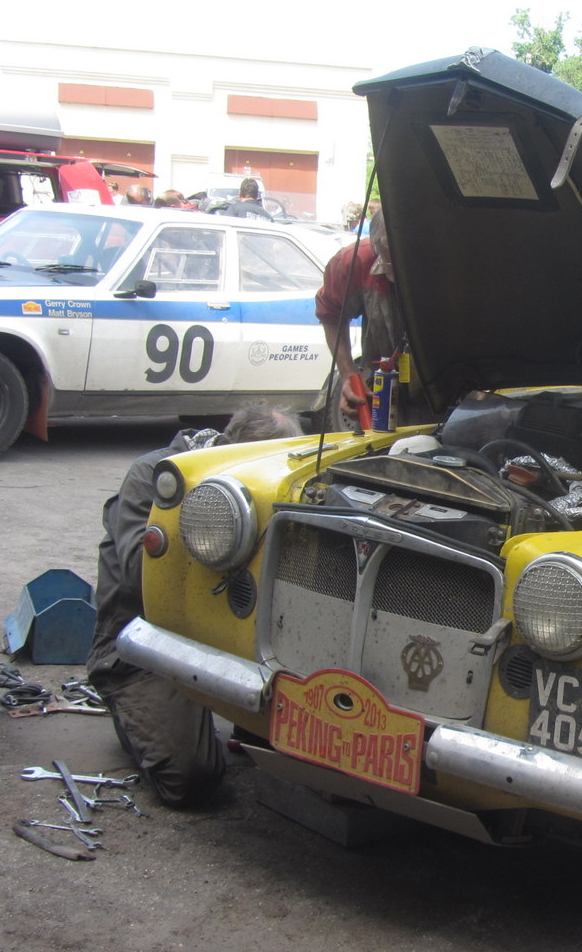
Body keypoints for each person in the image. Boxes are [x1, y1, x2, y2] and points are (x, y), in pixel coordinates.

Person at [87, 405, 303, 805]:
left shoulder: (286, 484)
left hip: (238, 642)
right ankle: (126, 703)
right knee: (191, 778)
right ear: (230, 449)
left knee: (313, 765)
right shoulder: (156, 476)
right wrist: (216, 529)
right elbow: (141, 577)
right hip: (146, 644)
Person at [315, 202, 407, 422]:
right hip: (383, 385)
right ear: (375, 245)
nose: (396, 264)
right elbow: (331, 314)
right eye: (388, 256)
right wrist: (348, 373)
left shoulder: (447, 264)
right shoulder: (353, 262)